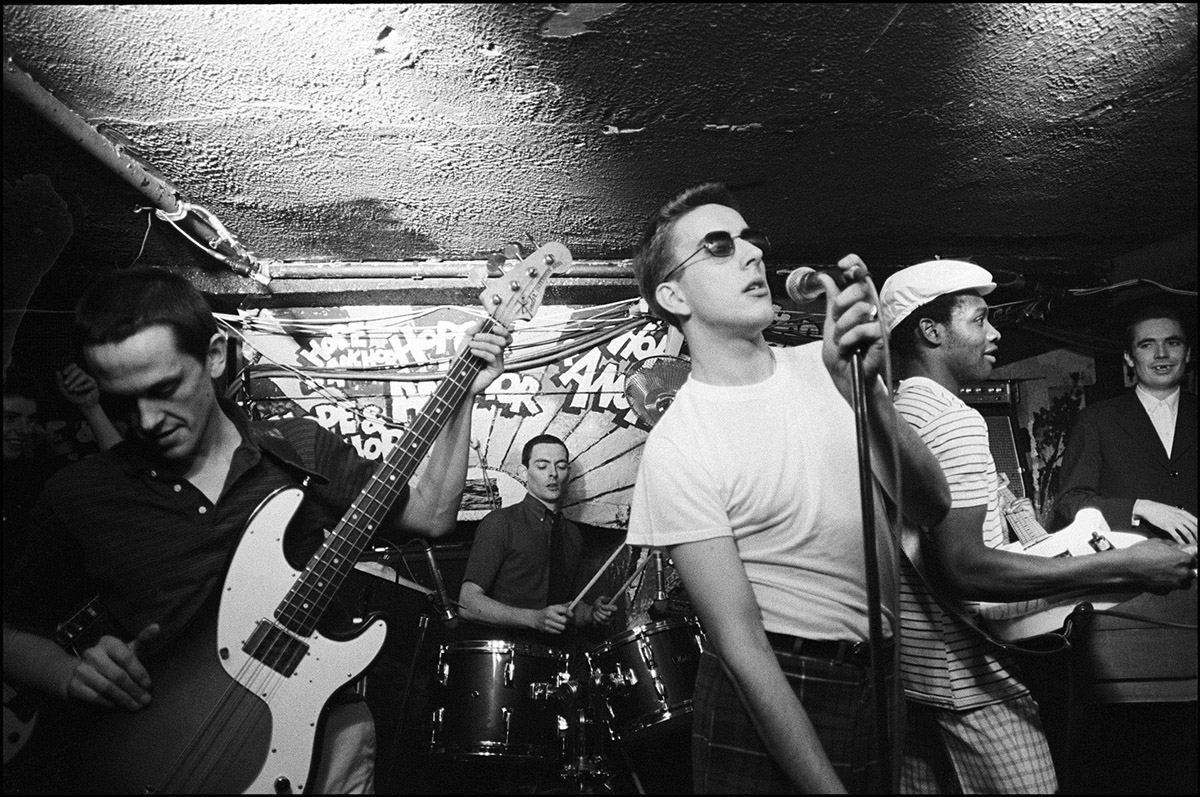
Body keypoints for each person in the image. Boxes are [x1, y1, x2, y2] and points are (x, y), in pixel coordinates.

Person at [1, 267, 511, 794]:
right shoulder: (78, 495)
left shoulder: (299, 450)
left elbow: (430, 514)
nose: (147, 420)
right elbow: (12, 633)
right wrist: (68, 674)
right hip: (157, 756)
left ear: (216, 356)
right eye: (121, 403)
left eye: (165, 388)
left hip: (312, 738)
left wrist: (464, 397)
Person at [625, 182, 952, 794]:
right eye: (719, 247)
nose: (752, 255)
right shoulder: (678, 443)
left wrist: (866, 398)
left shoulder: (829, 364)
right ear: (672, 294)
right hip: (776, 682)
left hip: (879, 672)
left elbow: (932, 507)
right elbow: (739, 643)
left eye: (752, 240)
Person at [880, 262, 1197, 794]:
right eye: (980, 319)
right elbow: (964, 568)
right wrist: (1125, 562)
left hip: (912, 675)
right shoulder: (954, 418)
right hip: (967, 673)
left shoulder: (894, 412)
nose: (996, 332)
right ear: (932, 332)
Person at [1054, 304, 1196, 543]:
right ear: (1129, 358)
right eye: (1147, 345)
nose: (1161, 354)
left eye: (1173, 343)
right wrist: (1139, 508)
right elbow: (1070, 503)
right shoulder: (1096, 420)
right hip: (1133, 572)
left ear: (1188, 353)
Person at [458, 433, 617, 637]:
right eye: (542, 466)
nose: (553, 474)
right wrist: (533, 618)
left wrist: (591, 613)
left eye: (561, 466)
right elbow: (467, 603)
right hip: (508, 655)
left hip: (557, 656)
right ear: (524, 473)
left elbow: (568, 608)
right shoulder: (501, 523)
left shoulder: (572, 533)